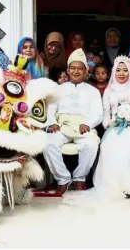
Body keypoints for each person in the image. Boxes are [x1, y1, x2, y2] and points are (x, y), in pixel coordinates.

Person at [63, 55, 130, 204]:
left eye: (124, 70)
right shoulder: (110, 90)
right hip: (116, 128)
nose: (121, 73)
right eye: (118, 70)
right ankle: (119, 186)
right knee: (108, 144)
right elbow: (105, 114)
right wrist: (109, 124)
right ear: (113, 72)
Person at [43, 48, 103, 195]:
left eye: (80, 69)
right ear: (68, 70)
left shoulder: (92, 91)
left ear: (86, 71)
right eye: (73, 68)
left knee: (91, 144)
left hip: (83, 125)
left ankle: (79, 178)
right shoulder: (58, 89)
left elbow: (98, 113)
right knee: (48, 143)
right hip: (62, 125)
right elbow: (51, 109)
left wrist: (88, 124)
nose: (76, 72)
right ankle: (63, 179)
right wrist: (51, 123)